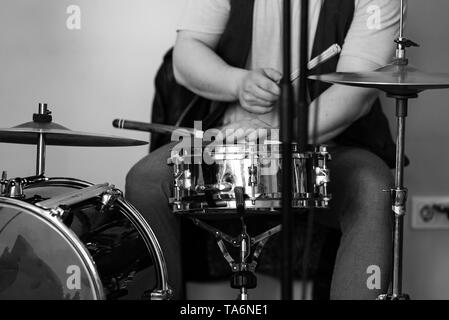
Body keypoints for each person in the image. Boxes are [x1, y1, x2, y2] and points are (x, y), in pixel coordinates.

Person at [126, 0, 403, 300]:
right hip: (224, 139)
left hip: (323, 147)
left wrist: (276, 136)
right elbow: (186, 54)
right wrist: (238, 83)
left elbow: (357, 90)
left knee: (373, 187)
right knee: (147, 181)